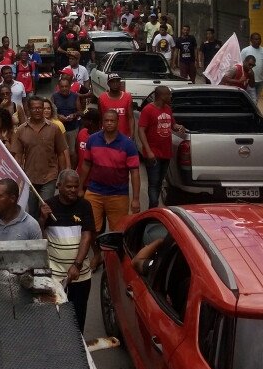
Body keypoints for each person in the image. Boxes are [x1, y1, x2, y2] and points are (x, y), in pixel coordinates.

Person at [78, 109, 140, 270]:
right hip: (95, 191)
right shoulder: (92, 140)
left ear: (117, 122)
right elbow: (86, 165)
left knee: (118, 231)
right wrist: (80, 187)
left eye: (112, 121)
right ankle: (97, 255)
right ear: (102, 122)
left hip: (118, 194)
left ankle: (112, 261)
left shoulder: (128, 144)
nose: (109, 123)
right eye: (106, 121)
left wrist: (136, 199)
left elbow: (134, 172)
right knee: (92, 229)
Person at [40, 169, 95, 334]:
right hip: (55, 274)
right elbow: (41, 238)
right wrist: (42, 219)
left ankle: (78, 345)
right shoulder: (47, 206)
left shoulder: (85, 205)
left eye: (75, 187)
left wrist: (77, 265)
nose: (73, 190)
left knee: (78, 315)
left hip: (80, 273)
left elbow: (87, 236)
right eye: (68, 186)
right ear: (59, 186)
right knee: (54, 314)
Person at [11, 96, 68, 217]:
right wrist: (19, 176)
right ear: (29, 110)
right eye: (34, 108)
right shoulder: (21, 130)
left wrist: (62, 176)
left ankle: (46, 234)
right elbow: (18, 155)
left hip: (49, 177)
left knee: (46, 211)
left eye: (40, 108)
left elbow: (61, 154)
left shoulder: (54, 128)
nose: (37, 110)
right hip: (29, 179)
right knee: (32, 213)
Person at [138, 85, 186, 209]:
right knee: (153, 183)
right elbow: (141, 130)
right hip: (153, 153)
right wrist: (148, 151)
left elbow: (173, 125)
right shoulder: (148, 110)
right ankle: (153, 209)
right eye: (168, 95)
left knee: (159, 183)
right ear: (161, 96)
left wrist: (179, 127)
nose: (170, 97)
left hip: (166, 153)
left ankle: (154, 208)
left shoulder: (168, 109)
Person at [52, 74, 84, 161]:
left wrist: (73, 115)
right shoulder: (54, 96)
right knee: (59, 151)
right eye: (62, 87)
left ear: (70, 86)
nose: (64, 88)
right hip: (58, 129)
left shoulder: (75, 96)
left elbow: (80, 112)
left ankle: (72, 171)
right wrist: (58, 116)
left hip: (72, 128)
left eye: (66, 86)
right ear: (59, 87)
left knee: (72, 152)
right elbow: (50, 112)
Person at [75, 107, 100, 172]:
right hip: (80, 176)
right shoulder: (82, 132)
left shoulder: (102, 138)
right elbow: (76, 154)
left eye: (84, 119)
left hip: (95, 179)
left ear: (90, 122)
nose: (82, 121)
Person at [240, 33, 263, 99]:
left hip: (260, 80)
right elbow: (241, 64)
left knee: (256, 99)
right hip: (248, 80)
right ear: (251, 40)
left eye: (259, 39)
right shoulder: (245, 50)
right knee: (250, 99)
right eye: (256, 39)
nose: (258, 41)